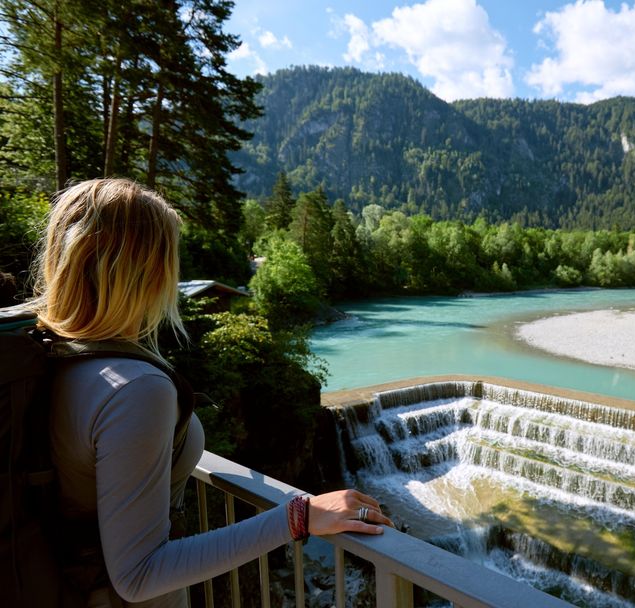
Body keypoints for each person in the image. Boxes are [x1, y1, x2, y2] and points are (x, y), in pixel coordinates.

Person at [29, 178, 392, 607]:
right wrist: (299, 516)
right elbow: (139, 574)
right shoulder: (137, 390)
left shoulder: (48, 353)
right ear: (150, 270)